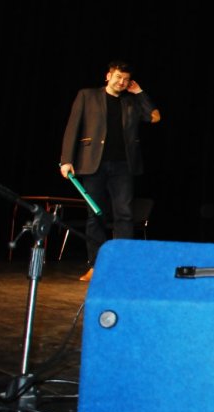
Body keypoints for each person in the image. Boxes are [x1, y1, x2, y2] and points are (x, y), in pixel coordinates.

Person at [60, 60, 161, 281]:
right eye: (118, 77)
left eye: (126, 79)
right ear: (108, 76)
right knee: (95, 214)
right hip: (93, 163)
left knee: (124, 214)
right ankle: (95, 265)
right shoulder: (87, 95)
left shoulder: (131, 101)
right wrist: (66, 160)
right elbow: (72, 127)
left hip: (123, 165)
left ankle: (120, 266)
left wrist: (139, 92)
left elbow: (155, 117)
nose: (122, 82)